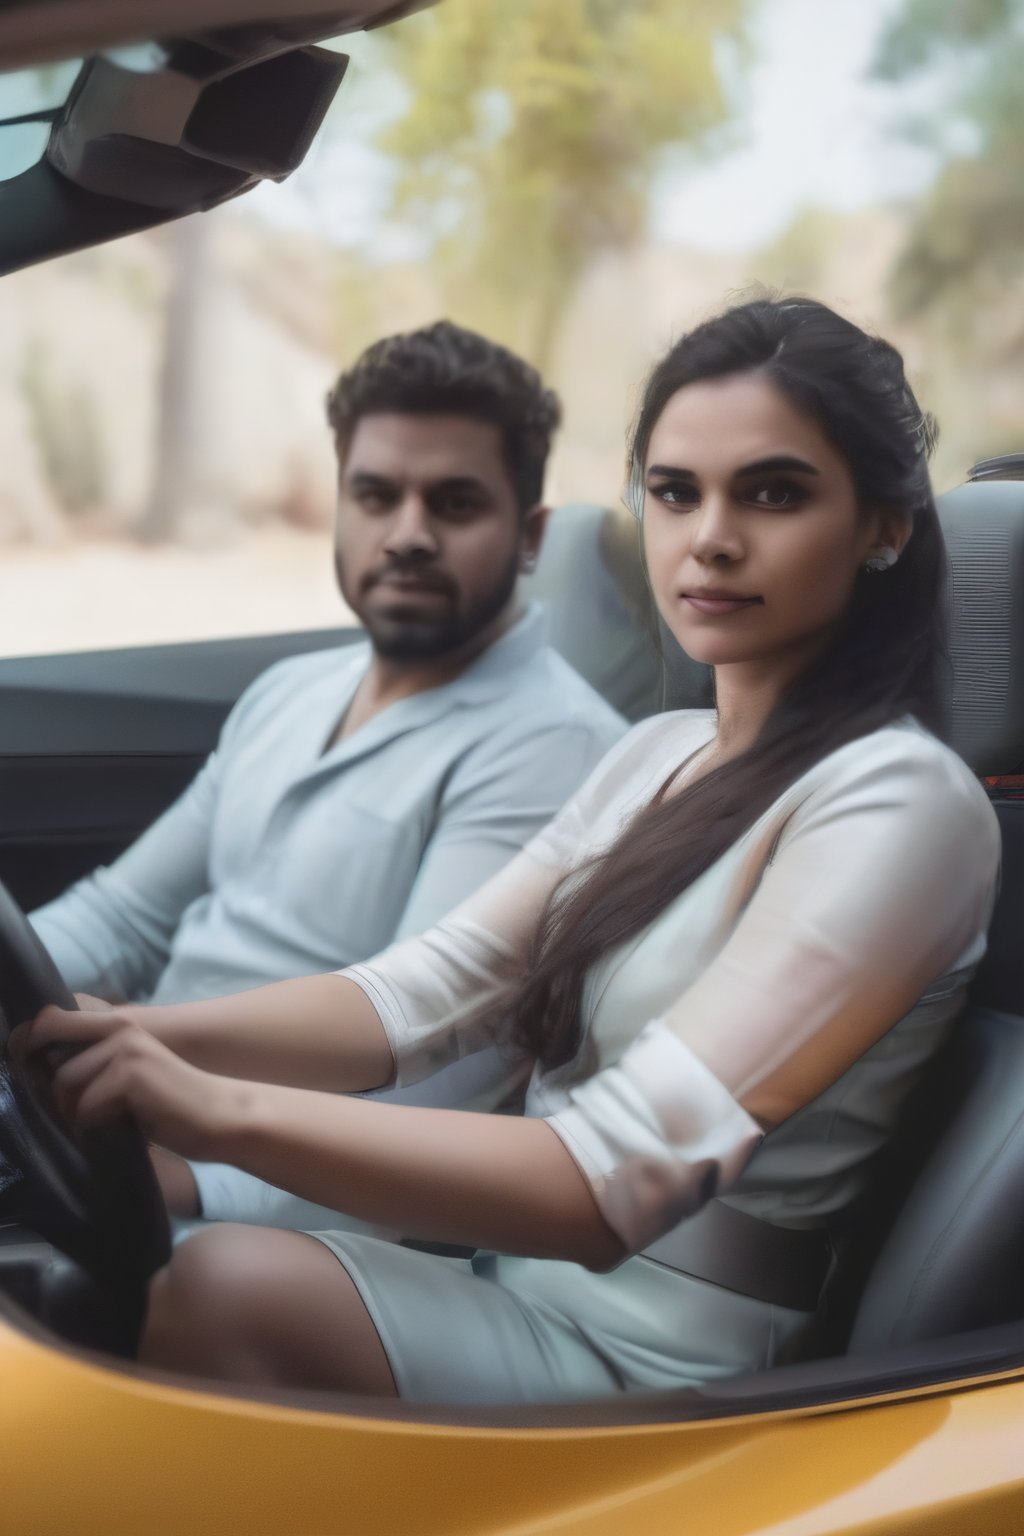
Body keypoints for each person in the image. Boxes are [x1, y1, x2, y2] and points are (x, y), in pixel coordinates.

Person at [21, 296, 1000, 1405]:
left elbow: (608, 1182)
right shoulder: (657, 754)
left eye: (773, 493)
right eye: (675, 491)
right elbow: (418, 999)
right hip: (508, 1278)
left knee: (210, 1288)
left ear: (884, 526)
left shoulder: (903, 806)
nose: (710, 535)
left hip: (672, 1363)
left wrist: (210, 1116)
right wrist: (126, 1035)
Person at [28, 320, 625, 1228]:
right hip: (113, 1109)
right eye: (376, 496)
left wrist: (192, 1189)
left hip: (249, 1197)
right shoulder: (290, 692)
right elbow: (124, 915)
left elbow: (430, 1098)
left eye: (456, 504)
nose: (408, 534)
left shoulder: (557, 753)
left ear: (532, 533)